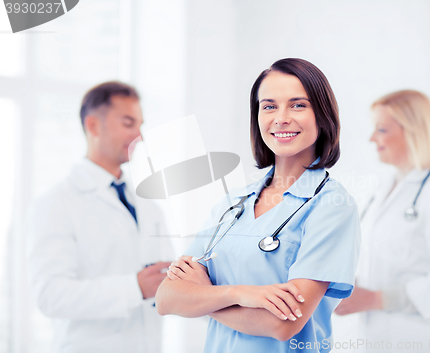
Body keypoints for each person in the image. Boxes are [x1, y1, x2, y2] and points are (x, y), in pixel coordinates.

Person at [155, 58, 361, 353]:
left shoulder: (332, 206)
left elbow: (284, 324)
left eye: (298, 105)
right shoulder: (232, 203)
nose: (281, 118)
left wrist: (203, 298)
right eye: (269, 106)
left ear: (322, 115)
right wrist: (243, 294)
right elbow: (167, 298)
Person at [25, 81, 174, 353]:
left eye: (140, 125)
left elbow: (164, 279)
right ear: (93, 126)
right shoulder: (56, 204)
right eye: (128, 123)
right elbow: (50, 295)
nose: (139, 135)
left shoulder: (148, 205)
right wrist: (134, 288)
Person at [334, 90, 430, 352]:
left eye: (382, 129)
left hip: (421, 340)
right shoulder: (385, 188)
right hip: (375, 338)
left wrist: (376, 299)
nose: (372, 138)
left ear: (413, 131)